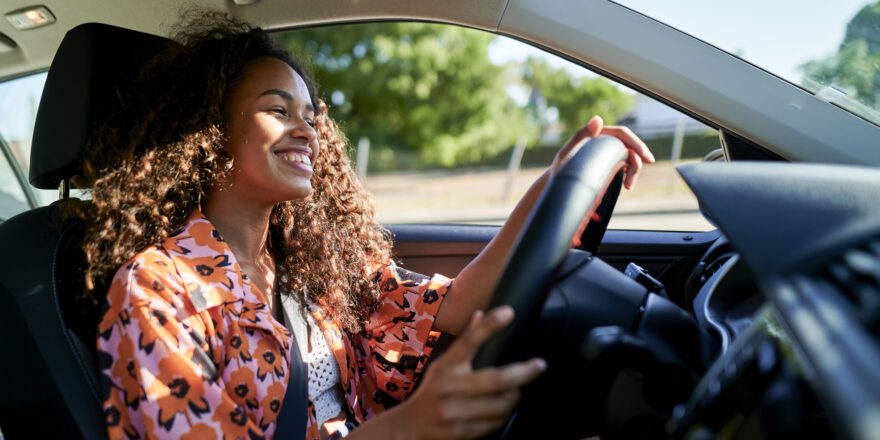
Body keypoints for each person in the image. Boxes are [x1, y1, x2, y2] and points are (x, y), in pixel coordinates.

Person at [78, 11, 655, 440]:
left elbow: (457, 305)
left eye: (310, 116)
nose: (306, 131)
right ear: (211, 131)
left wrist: (554, 184)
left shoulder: (313, 269)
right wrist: (411, 426)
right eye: (279, 111)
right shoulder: (157, 289)